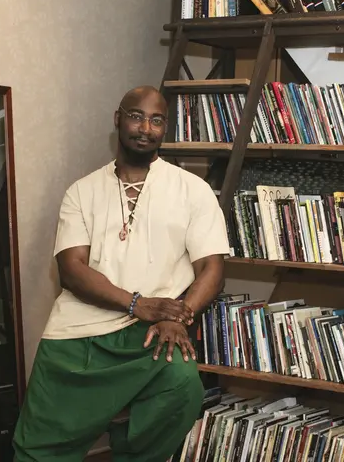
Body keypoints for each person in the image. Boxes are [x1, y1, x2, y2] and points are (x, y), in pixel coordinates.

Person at [13, 86, 230, 461]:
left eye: (156, 120)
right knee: (38, 445)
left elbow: (212, 268)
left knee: (183, 388)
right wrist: (136, 304)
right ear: (118, 118)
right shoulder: (81, 192)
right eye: (136, 116)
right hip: (79, 332)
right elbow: (71, 270)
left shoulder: (192, 191)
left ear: (166, 127)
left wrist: (179, 316)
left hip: (154, 333)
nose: (145, 127)